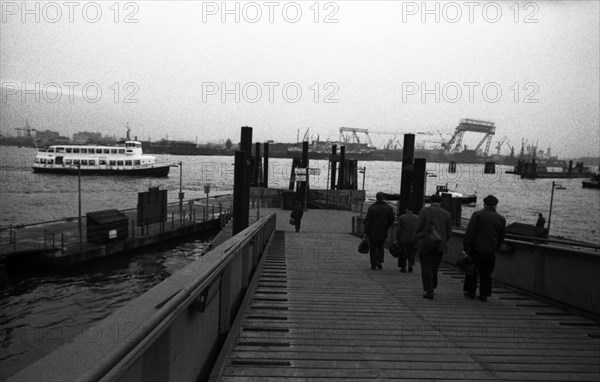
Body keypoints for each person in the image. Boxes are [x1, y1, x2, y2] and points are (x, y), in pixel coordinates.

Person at [463, 195, 506, 302]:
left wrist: (466, 245)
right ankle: (484, 294)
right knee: (486, 273)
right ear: (496, 205)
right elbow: (501, 236)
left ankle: (471, 291)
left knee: (472, 271)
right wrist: (496, 247)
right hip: (490, 250)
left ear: (484, 204)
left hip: (476, 248)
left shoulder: (477, 215)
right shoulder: (501, 219)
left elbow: (470, 232)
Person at [415, 194, 452, 299]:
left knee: (426, 266)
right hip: (440, 244)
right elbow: (449, 232)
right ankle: (433, 285)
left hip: (427, 243)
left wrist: (417, 239)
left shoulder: (424, 211)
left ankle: (428, 290)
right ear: (441, 202)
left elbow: (418, 227)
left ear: (430, 201)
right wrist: (444, 240)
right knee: (435, 266)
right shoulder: (447, 214)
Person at [364, 192, 395, 270]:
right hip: (383, 230)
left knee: (373, 247)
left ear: (376, 198)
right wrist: (387, 225)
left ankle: (373, 263)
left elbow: (368, 221)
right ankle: (379, 261)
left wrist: (366, 232)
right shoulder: (389, 208)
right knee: (381, 246)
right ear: (383, 198)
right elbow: (392, 219)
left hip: (373, 231)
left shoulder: (371, 207)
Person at [395, 203, 418, 273]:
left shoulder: (402, 217)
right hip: (413, 238)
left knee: (403, 254)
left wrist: (396, 238)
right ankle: (410, 265)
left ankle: (403, 267)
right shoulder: (417, 218)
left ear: (406, 209)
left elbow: (399, 229)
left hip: (403, 238)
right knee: (411, 253)